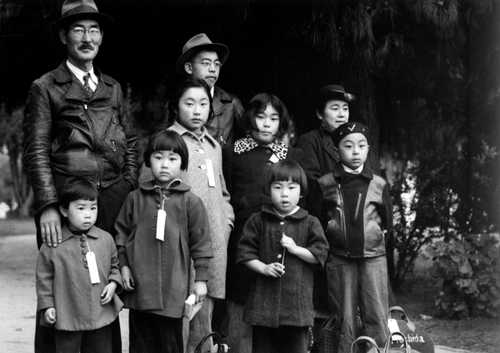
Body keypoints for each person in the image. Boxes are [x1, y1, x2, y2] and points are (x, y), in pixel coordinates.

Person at [23, 1, 138, 351]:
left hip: (110, 200)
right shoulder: (45, 87)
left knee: (106, 290)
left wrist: (128, 185)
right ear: (63, 36)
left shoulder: (113, 87)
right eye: (78, 30)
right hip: (65, 205)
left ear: (101, 36)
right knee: (59, 294)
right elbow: (36, 149)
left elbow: (130, 142)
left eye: (94, 30)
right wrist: (46, 205)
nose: (87, 38)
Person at [114, 130, 213, 353]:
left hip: (173, 292)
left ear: (182, 163)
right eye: (158, 158)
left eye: (172, 158)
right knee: (140, 345)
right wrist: (124, 266)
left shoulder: (191, 202)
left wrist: (202, 280)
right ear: (148, 160)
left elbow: (202, 244)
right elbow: (120, 236)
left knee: (170, 345)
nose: (165, 164)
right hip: (140, 290)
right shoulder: (135, 199)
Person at [222, 93, 301, 353]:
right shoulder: (234, 151)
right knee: (240, 299)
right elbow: (227, 192)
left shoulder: (288, 154)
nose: (267, 124)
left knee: (271, 298)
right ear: (250, 119)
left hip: (277, 237)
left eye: (274, 118)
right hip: (243, 237)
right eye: (261, 116)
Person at [167, 78, 234, 353]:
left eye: (203, 104)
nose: (197, 110)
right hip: (181, 245)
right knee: (181, 313)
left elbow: (223, 191)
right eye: (189, 103)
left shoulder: (213, 145)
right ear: (176, 107)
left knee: (205, 317)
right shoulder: (168, 142)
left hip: (215, 243)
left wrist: (226, 221)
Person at [236, 160, 328, 353]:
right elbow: (245, 253)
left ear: (301, 191)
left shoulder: (311, 222)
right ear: (268, 190)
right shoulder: (258, 220)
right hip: (262, 306)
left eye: (291, 187)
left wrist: (296, 249)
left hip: (297, 309)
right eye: (277, 187)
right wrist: (264, 268)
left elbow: (320, 255)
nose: (284, 193)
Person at [317, 122, 392, 353]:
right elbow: (319, 222)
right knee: (344, 317)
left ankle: (380, 350)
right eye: (348, 146)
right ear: (337, 150)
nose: (355, 151)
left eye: (361, 146)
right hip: (340, 260)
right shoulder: (326, 183)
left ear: (368, 149)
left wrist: (378, 238)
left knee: (376, 313)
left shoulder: (378, 184)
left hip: (374, 258)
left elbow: (387, 222)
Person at [36, 178, 123, 353]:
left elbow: (115, 265)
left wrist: (114, 283)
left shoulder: (106, 239)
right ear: (64, 210)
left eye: (93, 208)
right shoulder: (53, 244)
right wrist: (48, 305)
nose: (88, 214)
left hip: (100, 314)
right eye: (81, 208)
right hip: (67, 315)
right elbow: (44, 278)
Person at [171, 32, 244, 146]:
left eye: (216, 64)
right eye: (206, 63)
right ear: (189, 68)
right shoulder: (171, 103)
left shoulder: (231, 104)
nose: (213, 69)